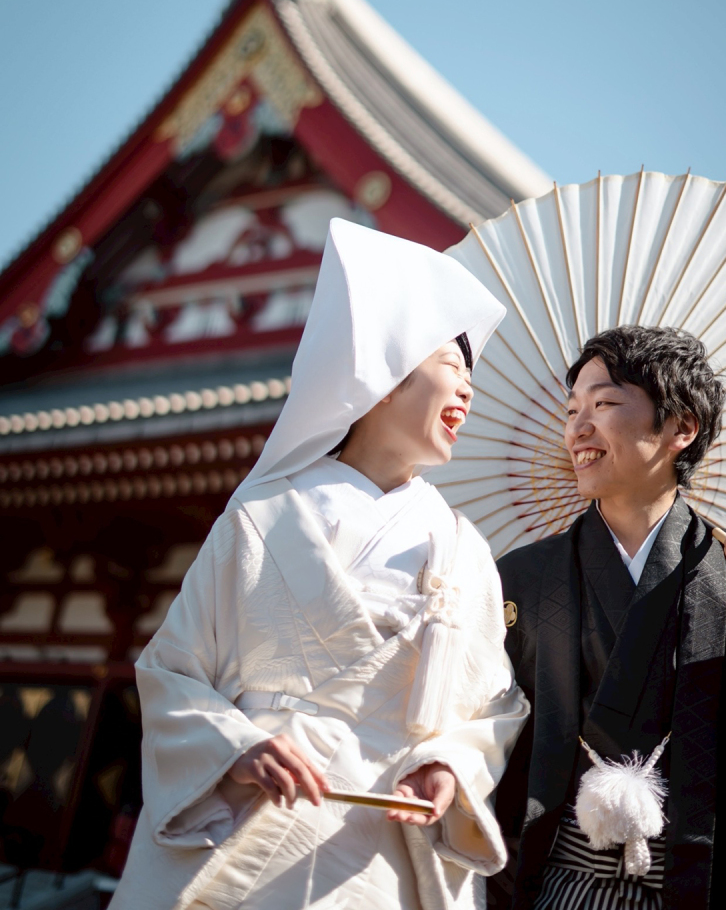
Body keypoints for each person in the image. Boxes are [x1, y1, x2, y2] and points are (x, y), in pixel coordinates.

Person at [110, 218, 528, 910]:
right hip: (257, 824)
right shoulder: (262, 519)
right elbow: (170, 673)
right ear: (384, 374)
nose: (468, 392)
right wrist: (236, 748)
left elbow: (493, 708)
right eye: (451, 368)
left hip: (380, 850)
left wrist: (447, 766)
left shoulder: (464, 549)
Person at [494, 324, 726, 910]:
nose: (578, 428)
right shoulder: (520, 578)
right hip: (560, 881)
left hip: (708, 881)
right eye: (571, 410)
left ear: (681, 427)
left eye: (605, 404)